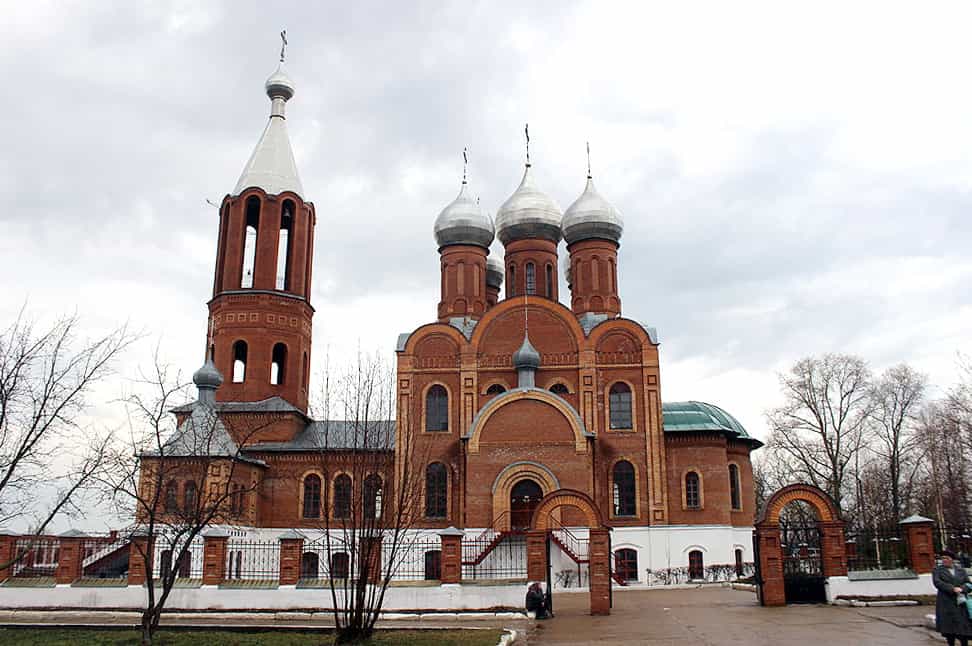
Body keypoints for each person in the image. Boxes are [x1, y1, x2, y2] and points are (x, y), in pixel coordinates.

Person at [934, 550, 972, 646]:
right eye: (942, 558)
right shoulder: (937, 570)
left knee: (963, 628)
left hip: (960, 602)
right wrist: (952, 589)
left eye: (947, 558)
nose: (944, 560)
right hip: (945, 602)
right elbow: (938, 583)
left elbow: (968, 583)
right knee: (949, 629)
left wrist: (962, 589)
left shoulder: (961, 570)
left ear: (952, 559)